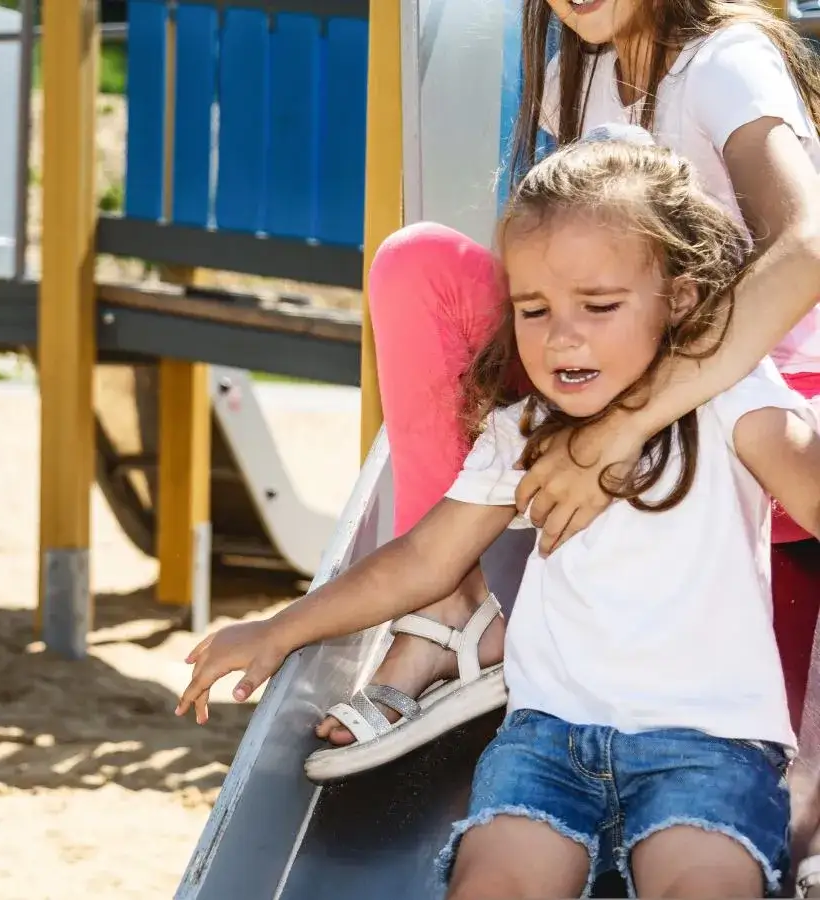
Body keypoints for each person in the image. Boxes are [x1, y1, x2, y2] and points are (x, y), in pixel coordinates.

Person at [176, 134, 820, 899]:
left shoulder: (729, 400)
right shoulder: (523, 429)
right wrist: (280, 629)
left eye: (599, 306)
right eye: (534, 309)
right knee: (492, 885)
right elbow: (423, 561)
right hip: (548, 742)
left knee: (704, 886)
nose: (563, 335)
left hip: (706, 750)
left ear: (678, 298)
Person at [310, 0, 820, 787]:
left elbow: (808, 244)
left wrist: (619, 426)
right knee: (422, 266)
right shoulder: (573, 76)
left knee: (759, 780)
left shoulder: (727, 60)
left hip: (754, 408)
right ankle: (452, 603)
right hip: (634, 370)